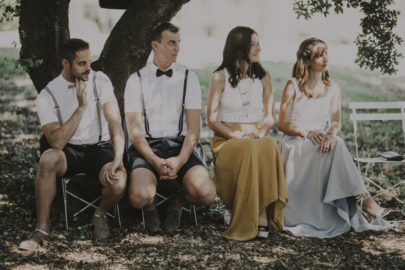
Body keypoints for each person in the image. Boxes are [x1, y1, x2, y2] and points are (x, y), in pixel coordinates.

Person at [278, 37, 394, 238]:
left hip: (321, 142)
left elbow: (335, 122)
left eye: (326, 53)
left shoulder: (333, 88)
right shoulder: (293, 85)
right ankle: (365, 200)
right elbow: (282, 124)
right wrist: (307, 133)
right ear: (307, 61)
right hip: (296, 143)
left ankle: (362, 200)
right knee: (336, 145)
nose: (325, 59)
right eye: (318, 55)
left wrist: (330, 135)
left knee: (335, 143)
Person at [19, 39, 127, 250]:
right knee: (48, 158)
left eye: (89, 62)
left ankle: (100, 214)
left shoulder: (101, 81)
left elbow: (115, 122)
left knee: (119, 182)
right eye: (82, 63)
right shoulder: (47, 95)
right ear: (65, 64)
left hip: (100, 148)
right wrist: (81, 107)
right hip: (69, 151)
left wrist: (118, 158)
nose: (89, 68)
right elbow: (56, 142)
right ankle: (41, 229)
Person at [124, 22, 216, 233]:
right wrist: (155, 161)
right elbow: (135, 134)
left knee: (207, 194)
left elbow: (194, 129)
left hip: (181, 145)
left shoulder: (188, 78)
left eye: (178, 43)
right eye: (171, 43)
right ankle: (150, 206)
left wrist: (180, 160)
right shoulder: (136, 80)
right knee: (139, 196)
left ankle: (177, 203)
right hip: (147, 147)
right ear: (155, 45)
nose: (177, 48)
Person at [206, 26, 287, 241]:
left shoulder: (264, 77)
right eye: (253, 44)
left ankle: (261, 213)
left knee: (268, 145)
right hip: (227, 140)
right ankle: (246, 216)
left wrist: (260, 133)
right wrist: (239, 136)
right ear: (239, 48)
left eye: (259, 43)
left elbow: (269, 117)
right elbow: (212, 121)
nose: (259, 48)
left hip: (256, 136)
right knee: (248, 146)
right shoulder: (219, 77)